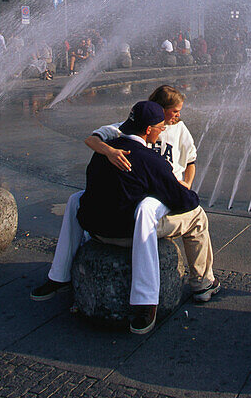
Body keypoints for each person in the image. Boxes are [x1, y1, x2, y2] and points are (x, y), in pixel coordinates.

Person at [32, 100, 218, 334]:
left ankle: (58, 278)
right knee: (196, 217)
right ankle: (202, 285)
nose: (163, 132)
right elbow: (183, 200)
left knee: (76, 198)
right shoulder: (151, 160)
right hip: (127, 235)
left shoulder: (105, 152)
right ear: (149, 130)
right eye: (161, 127)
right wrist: (183, 192)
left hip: (97, 232)